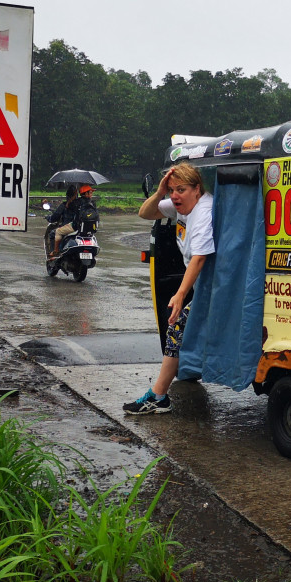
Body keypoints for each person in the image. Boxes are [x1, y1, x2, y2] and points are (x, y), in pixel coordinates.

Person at [124, 162, 214, 415]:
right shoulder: (182, 206)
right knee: (178, 327)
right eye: (172, 190)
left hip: (212, 288)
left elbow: (199, 258)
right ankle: (173, 383)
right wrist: (161, 191)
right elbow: (145, 213)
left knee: (176, 326)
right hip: (200, 285)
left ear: (197, 189)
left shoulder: (203, 212)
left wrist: (181, 293)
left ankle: (159, 396)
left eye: (181, 189)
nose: (175, 195)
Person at [48, 184, 98, 256]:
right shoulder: (93, 203)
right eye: (90, 192)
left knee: (58, 231)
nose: (91, 194)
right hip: (90, 229)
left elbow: (68, 205)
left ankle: (55, 251)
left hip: (76, 226)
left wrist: (74, 195)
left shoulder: (77, 202)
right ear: (86, 193)